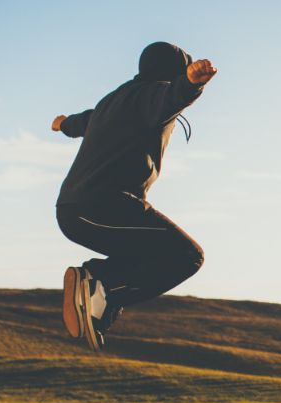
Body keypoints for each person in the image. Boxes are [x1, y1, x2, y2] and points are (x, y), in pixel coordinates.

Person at [52, 41, 217, 352]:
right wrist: (191, 84)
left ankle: (100, 296)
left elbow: (82, 122)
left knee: (147, 253)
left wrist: (62, 125)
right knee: (187, 256)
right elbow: (172, 96)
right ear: (171, 73)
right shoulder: (154, 94)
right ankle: (102, 285)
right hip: (107, 207)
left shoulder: (112, 101)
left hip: (71, 212)